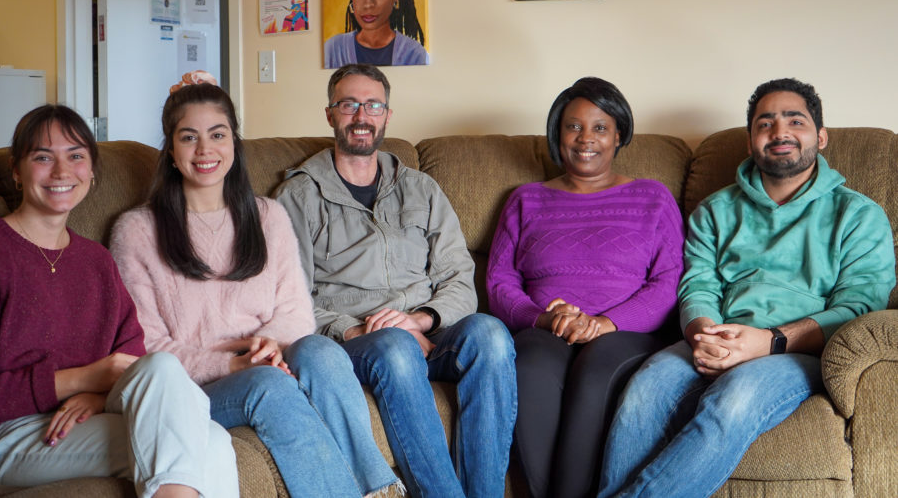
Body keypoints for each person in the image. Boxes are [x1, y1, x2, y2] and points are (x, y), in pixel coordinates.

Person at [598, 78, 896, 498]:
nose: (780, 133)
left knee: (734, 399)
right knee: (643, 391)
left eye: (796, 120)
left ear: (821, 136)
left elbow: (859, 306)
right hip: (718, 333)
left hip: (798, 351)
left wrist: (770, 342)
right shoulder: (715, 210)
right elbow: (697, 284)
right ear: (751, 139)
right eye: (765, 123)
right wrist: (702, 333)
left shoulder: (859, 215)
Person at [110, 80, 400, 498]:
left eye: (218, 134)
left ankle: (381, 491)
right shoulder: (137, 231)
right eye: (188, 137)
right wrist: (234, 364)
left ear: (234, 144)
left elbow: (298, 314)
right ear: (171, 151)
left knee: (321, 350)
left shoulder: (269, 216)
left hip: (268, 359)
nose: (205, 149)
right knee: (270, 386)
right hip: (197, 388)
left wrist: (260, 346)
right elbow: (148, 346)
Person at [0, 104, 236, 498]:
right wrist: (84, 379)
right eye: (43, 157)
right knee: (199, 441)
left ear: (91, 171)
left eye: (75, 156)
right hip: (13, 436)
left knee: (210, 435)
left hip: (94, 417)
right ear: (16, 170)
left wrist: (96, 396)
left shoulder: (96, 260)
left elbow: (131, 352)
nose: (61, 172)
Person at [274, 63, 517, 498]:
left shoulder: (421, 189)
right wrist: (358, 328)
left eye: (373, 105)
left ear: (387, 115)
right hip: (358, 340)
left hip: (426, 330)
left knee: (491, 334)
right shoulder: (299, 195)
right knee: (395, 346)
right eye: (349, 104)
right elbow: (290, 295)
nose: (361, 115)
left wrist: (419, 321)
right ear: (330, 114)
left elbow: (460, 277)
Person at [486, 77, 684, 498]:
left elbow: (668, 282)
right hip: (545, 329)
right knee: (529, 369)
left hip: (625, 333)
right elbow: (499, 280)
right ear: (557, 134)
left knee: (595, 375)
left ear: (619, 135)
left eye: (600, 127)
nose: (586, 138)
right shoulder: (525, 200)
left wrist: (605, 323)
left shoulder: (653, 197)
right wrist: (542, 317)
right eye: (573, 126)